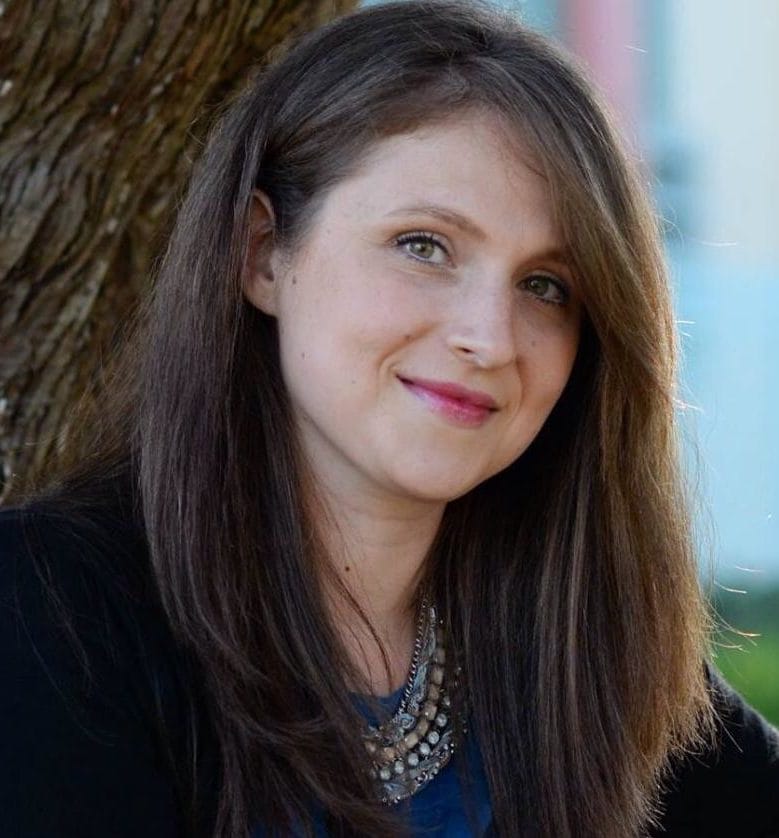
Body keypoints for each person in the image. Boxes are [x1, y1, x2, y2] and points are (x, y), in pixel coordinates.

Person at [1, 1, 777, 835]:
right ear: (260, 253)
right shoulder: (47, 614)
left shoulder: (581, 651)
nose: (488, 336)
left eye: (545, 286)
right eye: (423, 245)